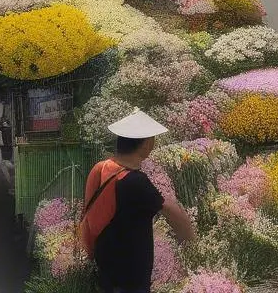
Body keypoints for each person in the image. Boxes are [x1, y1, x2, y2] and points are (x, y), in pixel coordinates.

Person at [80, 110, 195, 293]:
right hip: (130, 279)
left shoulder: (102, 168)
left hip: (106, 272)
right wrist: (193, 244)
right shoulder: (135, 181)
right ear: (146, 144)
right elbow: (171, 211)